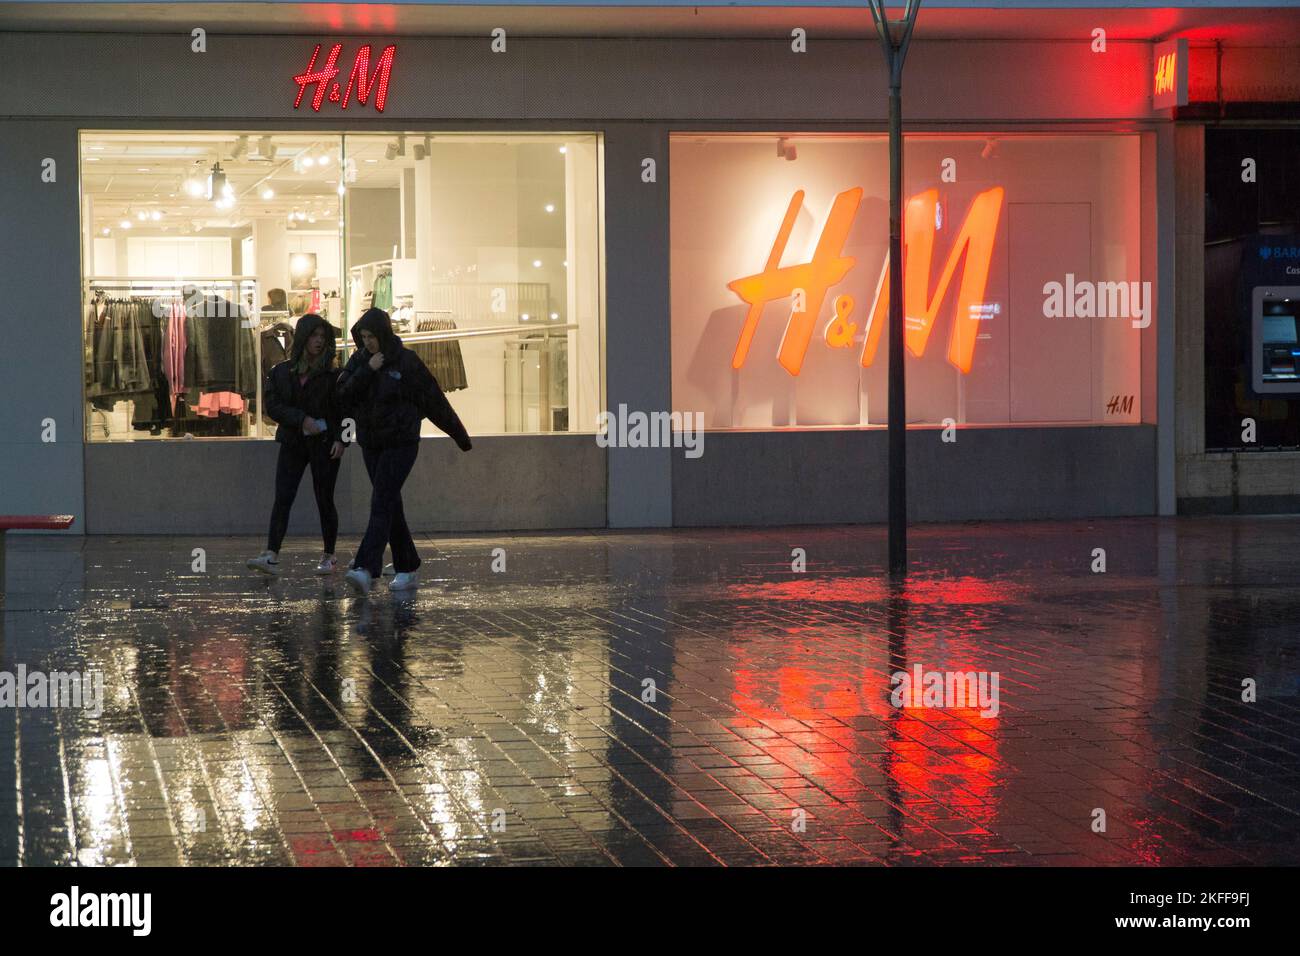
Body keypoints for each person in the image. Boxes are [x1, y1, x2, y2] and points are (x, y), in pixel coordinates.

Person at [337, 307, 472, 595]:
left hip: (401, 444)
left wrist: (459, 436)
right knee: (389, 505)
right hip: (372, 444)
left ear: (383, 334)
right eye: (363, 336)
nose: (368, 341)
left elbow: (434, 400)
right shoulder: (360, 361)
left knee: (382, 500)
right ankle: (407, 565)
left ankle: (365, 566)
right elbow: (342, 395)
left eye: (372, 336)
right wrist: (367, 370)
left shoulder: (407, 362)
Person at [247, 313, 347, 576]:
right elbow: (274, 406)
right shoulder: (281, 372)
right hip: (293, 441)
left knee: (324, 498)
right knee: (283, 496)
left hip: (325, 443)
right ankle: (271, 553)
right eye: (314, 336)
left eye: (322, 337)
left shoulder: (332, 375)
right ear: (302, 338)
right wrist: (302, 420)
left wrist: (341, 439)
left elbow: (344, 409)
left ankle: (329, 555)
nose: (318, 342)